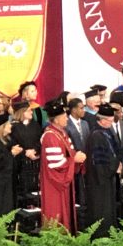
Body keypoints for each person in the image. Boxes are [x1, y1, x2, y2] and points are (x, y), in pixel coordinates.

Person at [40, 99, 85, 233]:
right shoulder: (50, 136)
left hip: (64, 180)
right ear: (56, 120)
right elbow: (56, 164)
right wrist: (74, 160)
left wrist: (77, 157)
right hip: (54, 183)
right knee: (55, 211)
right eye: (64, 116)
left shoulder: (62, 133)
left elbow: (70, 153)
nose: (67, 119)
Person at [84, 104, 121, 237]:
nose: (111, 124)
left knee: (109, 207)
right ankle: (101, 234)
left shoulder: (107, 132)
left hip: (108, 177)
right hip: (99, 179)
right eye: (110, 121)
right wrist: (114, 167)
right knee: (101, 208)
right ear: (102, 120)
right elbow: (100, 161)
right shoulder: (97, 135)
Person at [10, 101, 42, 203]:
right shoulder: (14, 127)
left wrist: (35, 150)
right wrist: (25, 152)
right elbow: (12, 143)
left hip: (35, 161)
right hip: (20, 162)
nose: (31, 112)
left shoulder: (36, 125)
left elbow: (40, 140)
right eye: (29, 111)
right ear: (22, 112)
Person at [0, 122, 21, 215]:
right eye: (8, 124)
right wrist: (11, 154)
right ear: (2, 128)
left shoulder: (6, 141)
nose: (11, 126)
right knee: (0, 205)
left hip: (5, 179)